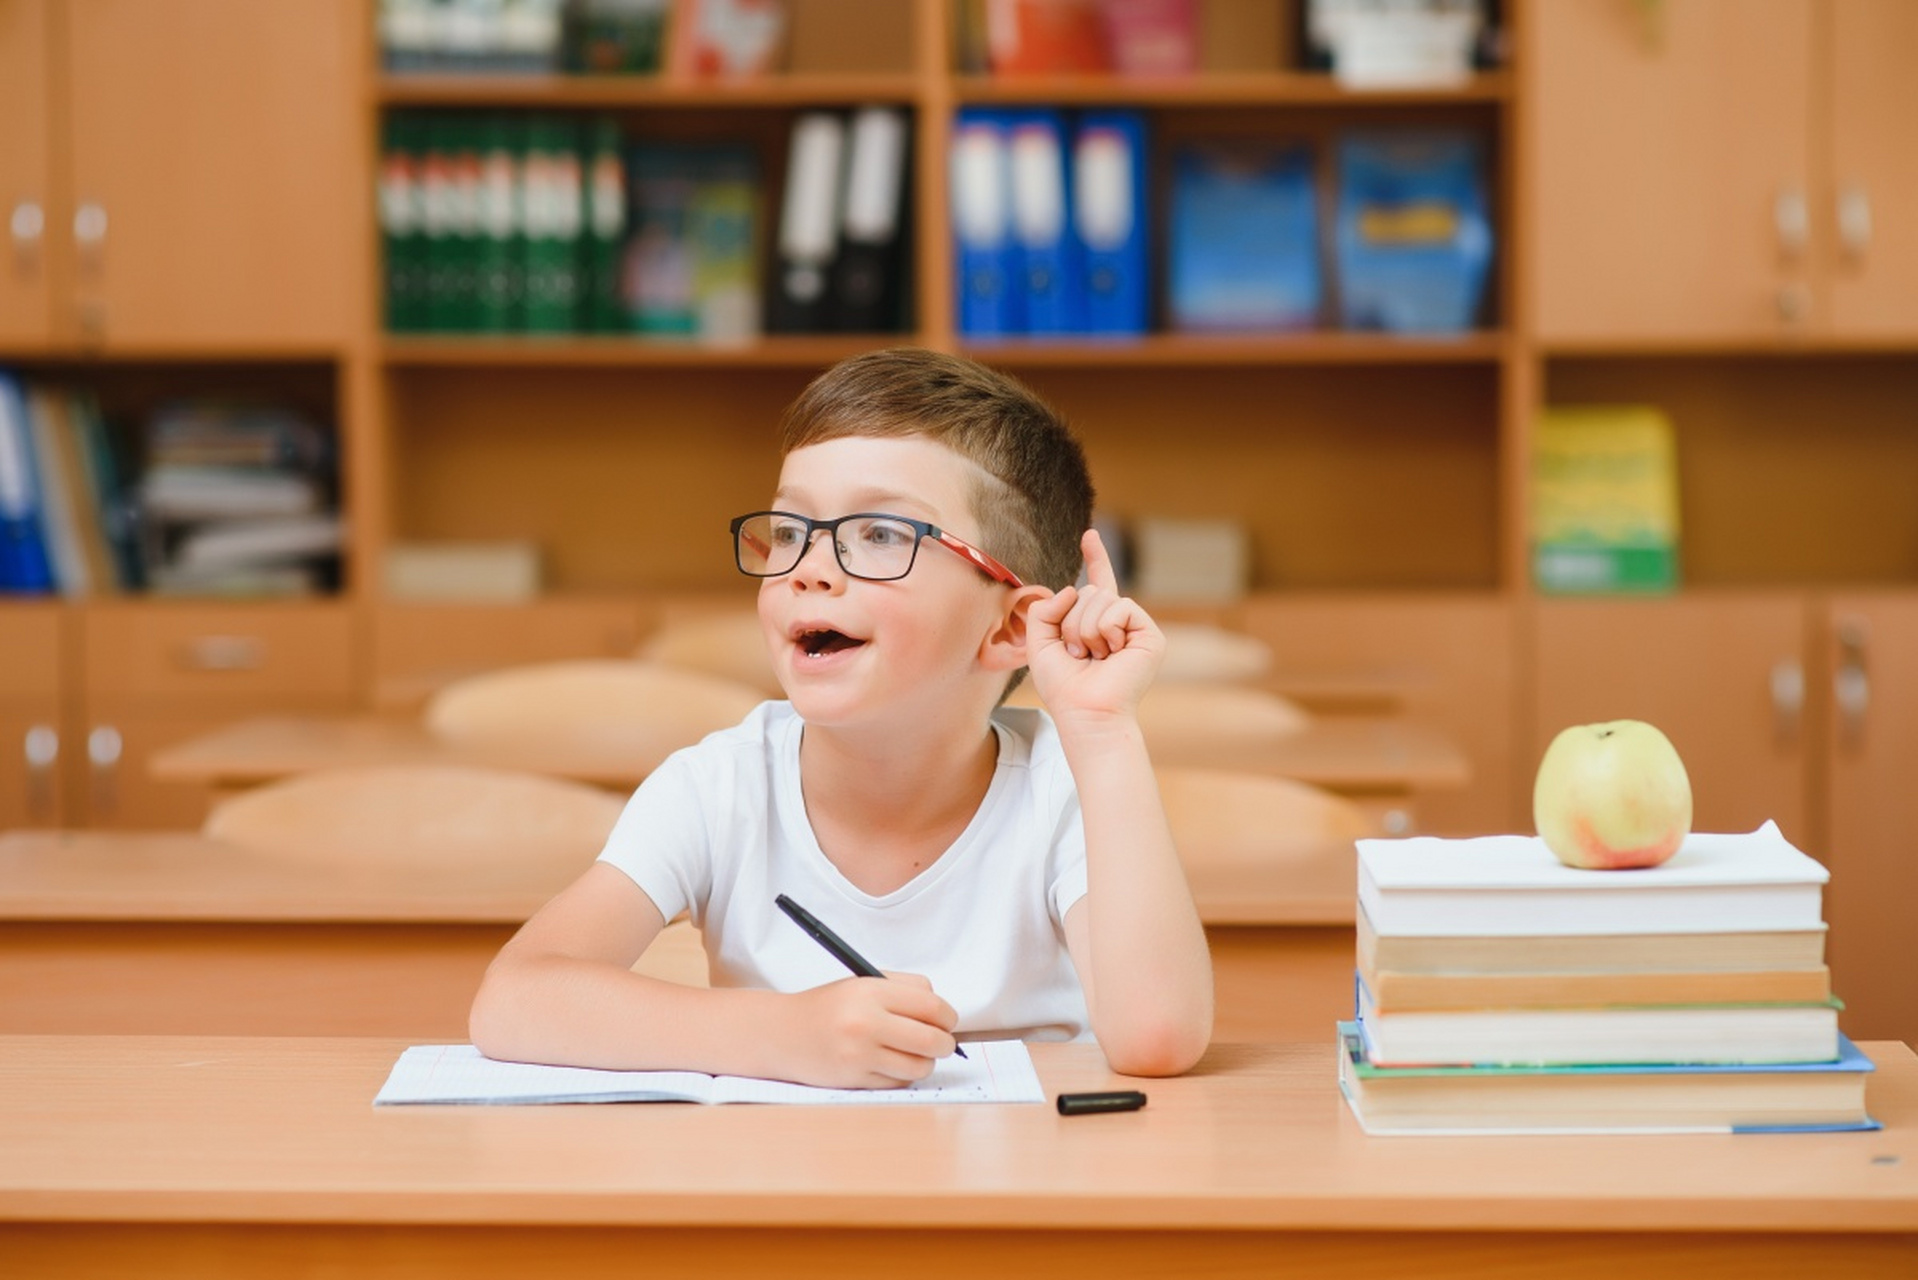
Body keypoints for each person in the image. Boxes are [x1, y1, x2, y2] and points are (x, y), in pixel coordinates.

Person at [469, 348, 1213, 1087]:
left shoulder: (1065, 789)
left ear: (1011, 629)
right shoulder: (718, 786)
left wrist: (1104, 732)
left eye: (882, 534)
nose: (808, 568)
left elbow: (1157, 1037)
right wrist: (781, 1033)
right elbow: (515, 1000)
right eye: (791, 531)